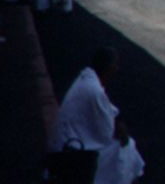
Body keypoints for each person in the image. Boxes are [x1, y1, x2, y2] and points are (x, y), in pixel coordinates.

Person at [49, 47, 145, 184]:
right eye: (115, 65)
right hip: (69, 151)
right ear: (108, 67)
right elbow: (106, 131)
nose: (117, 69)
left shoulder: (86, 80)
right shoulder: (94, 90)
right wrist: (121, 131)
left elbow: (106, 112)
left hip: (65, 144)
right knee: (126, 147)